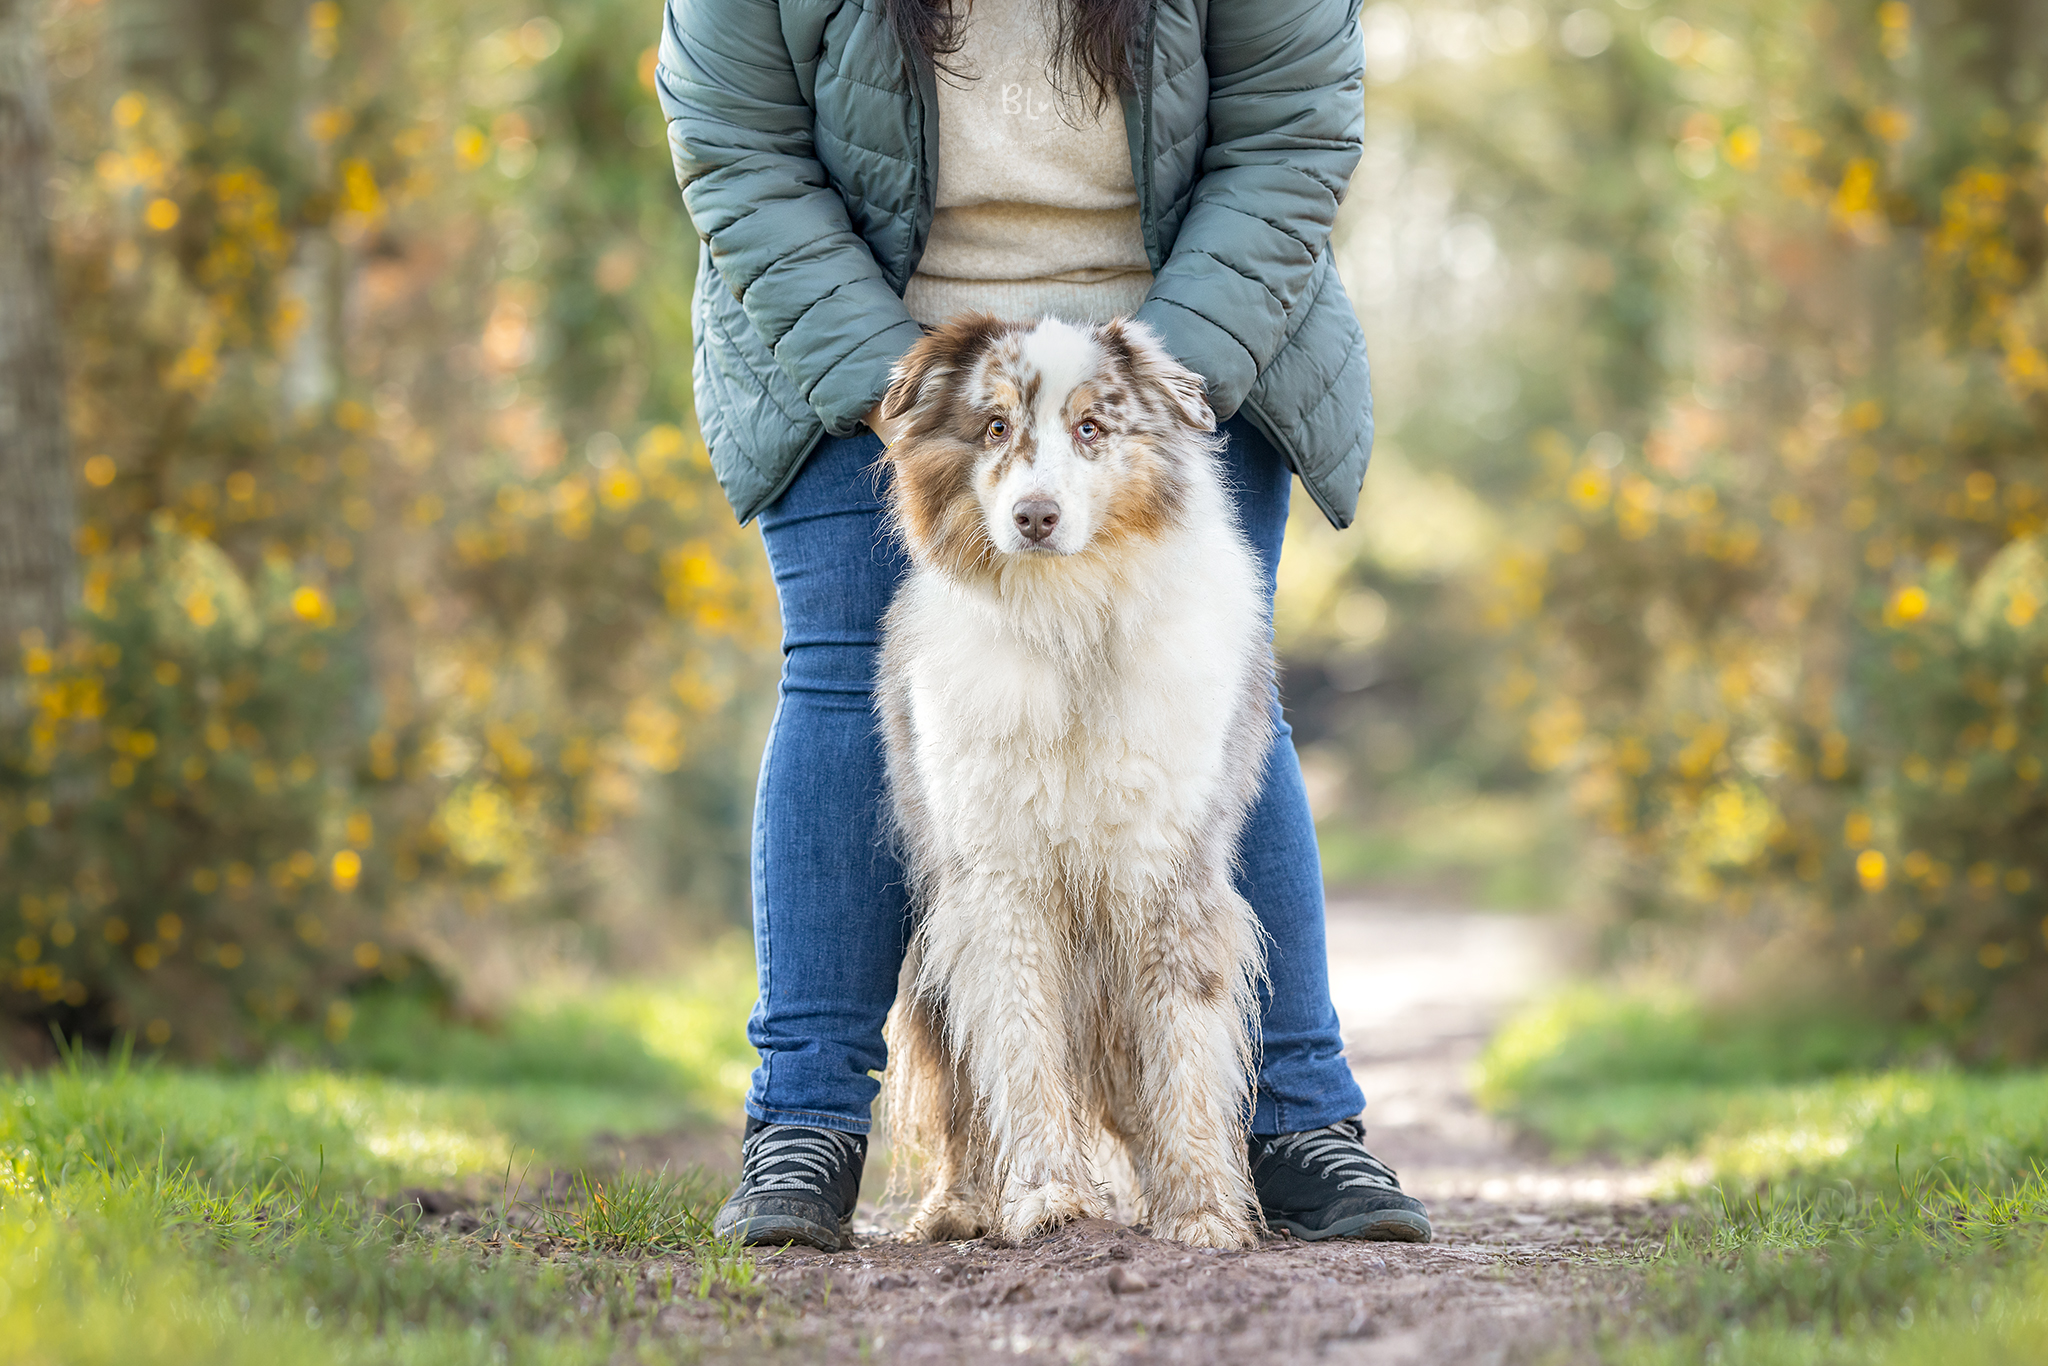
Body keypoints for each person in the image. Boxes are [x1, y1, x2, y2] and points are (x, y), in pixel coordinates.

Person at [655, 0, 1432, 1249]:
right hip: (881, 356)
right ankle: (803, 1122)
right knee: (842, 668)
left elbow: (1289, 136)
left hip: (1165, 352)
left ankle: (1294, 1117)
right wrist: (907, 393)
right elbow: (737, 147)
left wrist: (1151, 388)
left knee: (1221, 694)